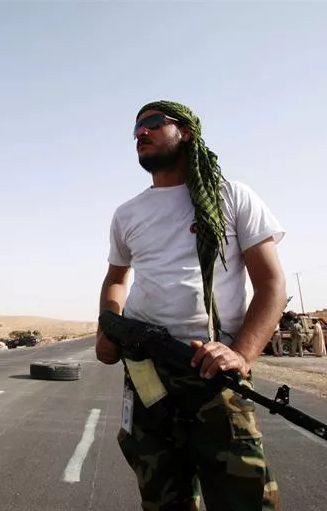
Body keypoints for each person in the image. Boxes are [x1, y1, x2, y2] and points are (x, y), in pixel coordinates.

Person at [96, 100, 287, 511]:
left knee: (246, 498)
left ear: (185, 131)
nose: (139, 134)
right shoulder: (127, 214)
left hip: (211, 369)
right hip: (146, 371)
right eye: (135, 130)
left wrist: (241, 354)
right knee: (163, 497)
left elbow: (271, 283)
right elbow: (116, 279)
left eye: (150, 123)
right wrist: (108, 326)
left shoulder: (231, 196)